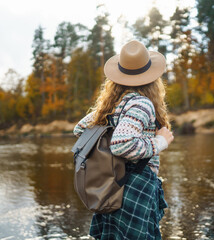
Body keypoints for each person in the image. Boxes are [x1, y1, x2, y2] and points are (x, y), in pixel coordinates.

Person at [73, 40, 174, 239]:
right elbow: (121, 144)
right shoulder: (142, 103)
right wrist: (160, 142)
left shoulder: (114, 104)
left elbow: (80, 129)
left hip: (112, 185)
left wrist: (107, 148)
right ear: (153, 79)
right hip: (134, 187)